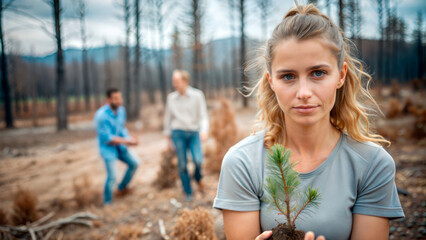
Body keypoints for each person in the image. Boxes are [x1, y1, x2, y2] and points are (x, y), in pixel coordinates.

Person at [213, 3, 404, 240]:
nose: (303, 92)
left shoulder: (372, 165)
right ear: (271, 81)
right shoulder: (242, 163)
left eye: (318, 73)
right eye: (288, 76)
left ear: (341, 75)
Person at [163, 69, 209, 201]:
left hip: (194, 133)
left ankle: (198, 177)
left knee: (198, 161)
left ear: (185, 81)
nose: (174, 84)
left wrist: (204, 130)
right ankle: (188, 192)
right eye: (173, 82)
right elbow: (168, 118)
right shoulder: (171, 98)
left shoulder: (197, 95)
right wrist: (168, 138)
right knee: (182, 164)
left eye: (176, 81)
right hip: (178, 133)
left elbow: (203, 116)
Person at [94, 88, 140, 205]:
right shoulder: (101, 116)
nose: (119, 101)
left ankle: (121, 188)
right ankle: (108, 202)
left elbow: (122, 128)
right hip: (108, 149)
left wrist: (129, 138)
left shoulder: (121, 111)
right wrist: (127, 141)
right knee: (112, 176)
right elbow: (108, 139)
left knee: (135, 163)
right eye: (115, 99)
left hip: (121, 146)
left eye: (120, 98)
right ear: (108, 99)